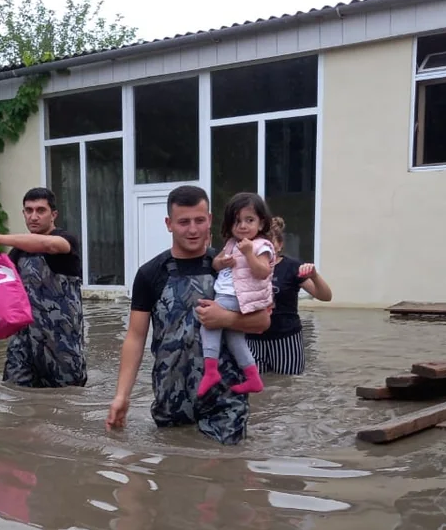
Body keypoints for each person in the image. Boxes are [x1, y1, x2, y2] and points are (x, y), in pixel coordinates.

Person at [106, 185, 270, 445]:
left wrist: (226, 319)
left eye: (199, 220)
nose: (193, 230)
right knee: (173, 475)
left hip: (224, 397)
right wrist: (121, 396)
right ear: (169, 224)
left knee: (226, 470)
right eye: (183, 222)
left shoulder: (232, 266)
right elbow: (135, 338)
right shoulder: (150, 273)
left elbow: (263, 322)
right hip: (171, 394)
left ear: (210, 220)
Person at [0, 187, 87, 388]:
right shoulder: (18, 252)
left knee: (68, 401)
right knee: (13, 394)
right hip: (23, 342)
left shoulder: (66, 240)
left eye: (40, 210)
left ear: (53, 214)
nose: (33, 216)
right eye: (29, 210)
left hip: (60, 343)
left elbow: (48, 245)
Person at [198, 193, 275, 398]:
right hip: (230, 295)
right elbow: (216, 263)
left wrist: (249, 253)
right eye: (237, 221)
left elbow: (263, 272)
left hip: (238, 297)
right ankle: (253, 377)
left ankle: (211, 371)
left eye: (249, 220)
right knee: (234, 338)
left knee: (209, 322)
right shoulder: (232, 243)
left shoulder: (262, 246)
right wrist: (222, 262)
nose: (242, 226)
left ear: (261, 223)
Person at [243, 216, 333, 375]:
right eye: (262, 241)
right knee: (257, 390)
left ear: (279, 245)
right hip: (253, 339)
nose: (266, 247)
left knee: (287, 386)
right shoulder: (246, 266)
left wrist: (314, 276)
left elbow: (325, 296)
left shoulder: (291, 267)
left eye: (271, 242)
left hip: (286, 339)